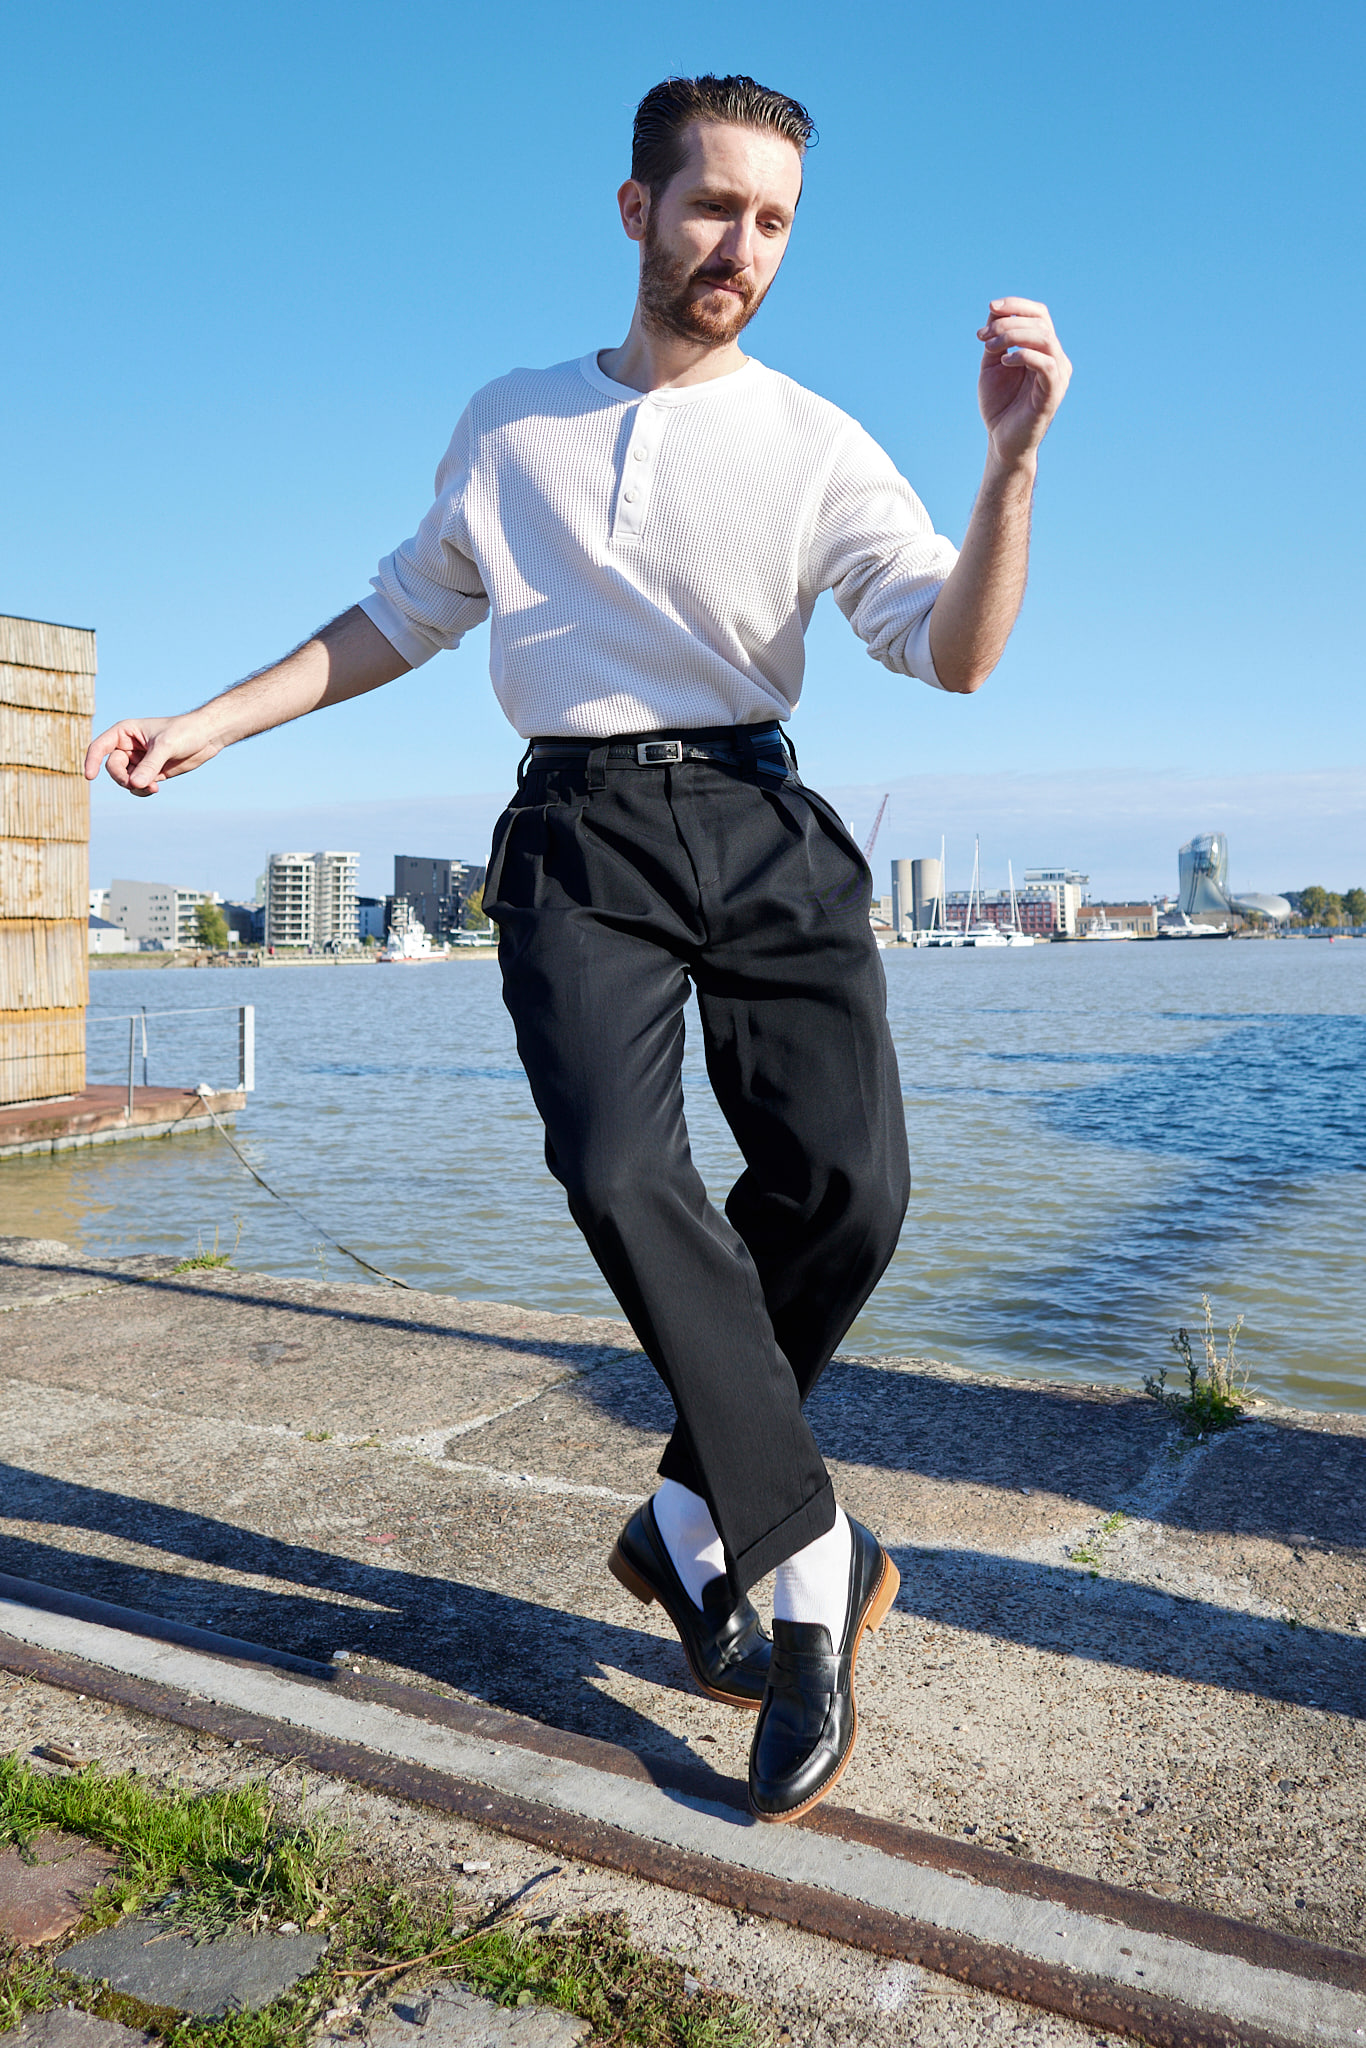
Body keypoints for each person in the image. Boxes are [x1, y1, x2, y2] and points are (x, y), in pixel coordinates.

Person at [86, 73, 1071, 1823]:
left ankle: (688, 1513)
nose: (741, 250)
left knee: (851, 1191)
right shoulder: (512, 421)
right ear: (634, 210)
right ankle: (807, 1568)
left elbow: (957, 649)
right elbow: (399, 613)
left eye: (774, 222)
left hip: (764, 822)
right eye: (711, 209)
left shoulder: (821, 439)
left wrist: (1009, 467)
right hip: (574, 833)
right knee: (623, 1171)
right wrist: (216, 723)